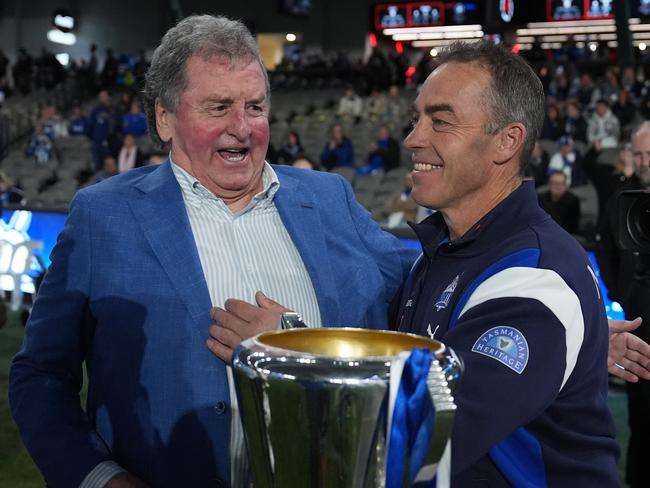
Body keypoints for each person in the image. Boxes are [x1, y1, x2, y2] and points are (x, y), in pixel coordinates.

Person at [8, 15, 413, 488]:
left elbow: (428, 293)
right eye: (218, 107)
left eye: (255, 107)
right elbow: (40, 374)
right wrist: (100, 478)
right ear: (164, 117)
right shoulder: (103, 217)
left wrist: (296, 344)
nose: (241, 128)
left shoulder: (330, 199)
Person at [390, 40, 619, 486]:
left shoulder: (537, 279)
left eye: (440, 121)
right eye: (417, 119)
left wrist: (288, 356)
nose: (413, 138)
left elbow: (417, 443)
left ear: (507, 141)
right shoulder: (444, 249)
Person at [597, 122, 650, 488]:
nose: (645, 161)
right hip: (640, 324)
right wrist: (623, 292)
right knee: (642, 417)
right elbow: (606, 250)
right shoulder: (622, 199)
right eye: (640, 154)